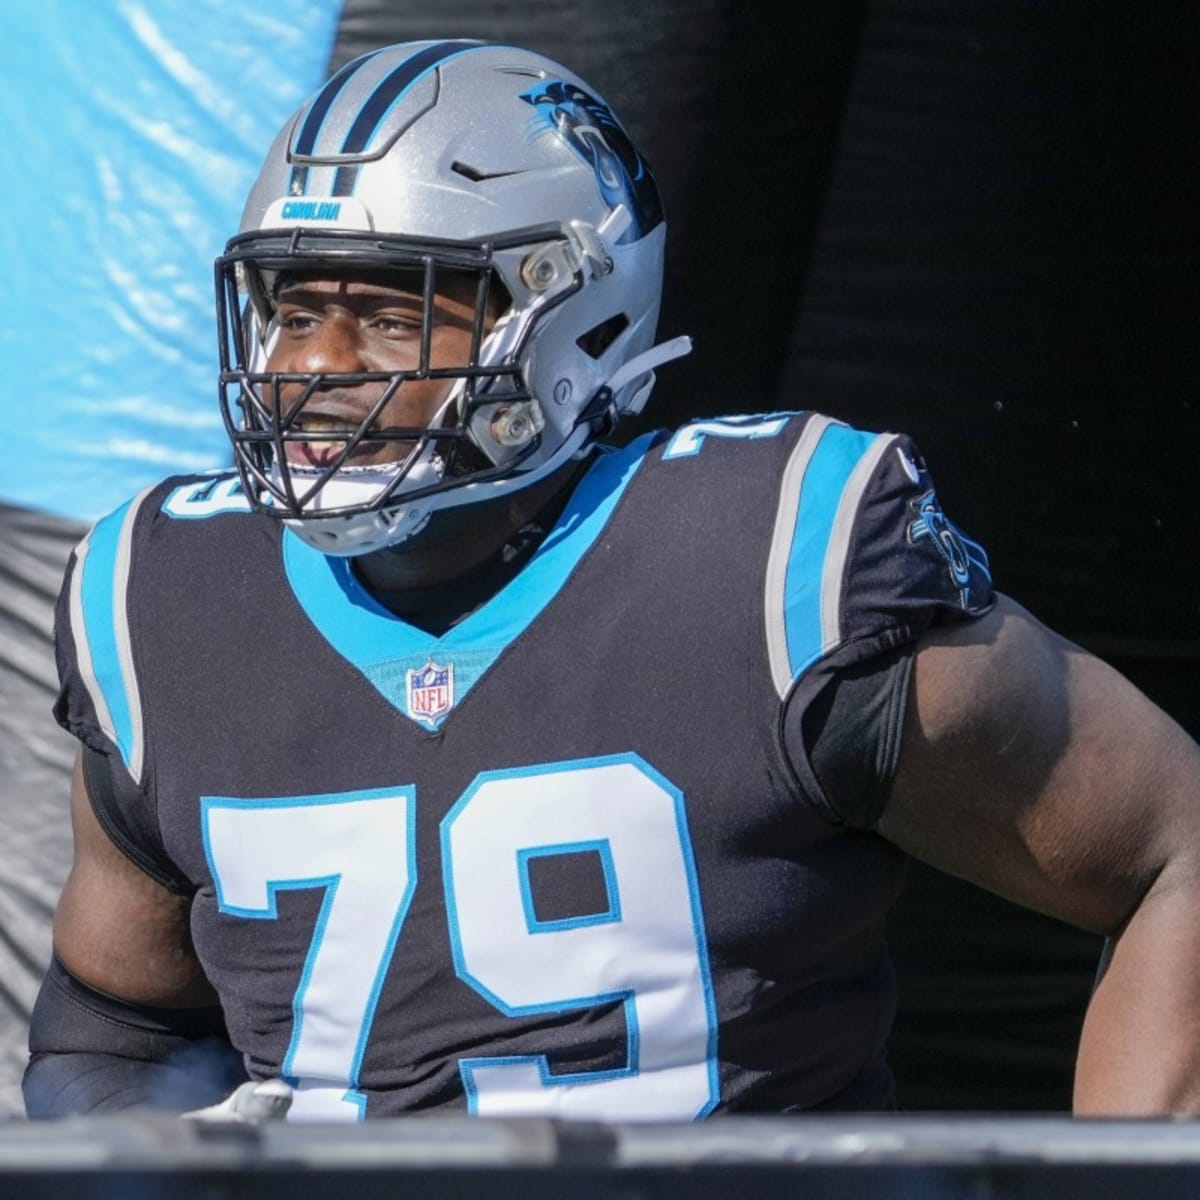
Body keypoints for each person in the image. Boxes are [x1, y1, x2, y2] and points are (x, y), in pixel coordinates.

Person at [24, 39, 1200, 1122]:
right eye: (293, 310)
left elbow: (1172, 850)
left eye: (391, 314)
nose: (317, 370)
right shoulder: (168, 598)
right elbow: (111, 1031)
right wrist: (156, 1151)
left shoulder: (759, 561)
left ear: (566, 316)